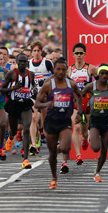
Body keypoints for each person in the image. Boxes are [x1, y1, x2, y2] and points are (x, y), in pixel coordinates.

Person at [35, 58, 82, 189]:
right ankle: (54, 178)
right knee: (52, 154)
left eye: (63, 69)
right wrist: (47, 104)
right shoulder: (48, 84)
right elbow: (37, 103)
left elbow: (79, 96)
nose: (61, 72)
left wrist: (79, 113)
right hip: (51, 122)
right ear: (54, 70)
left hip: (64, 121)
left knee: (66, 147)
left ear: (66, 70)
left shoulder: (71, 84)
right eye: (58, 69)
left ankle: (58, 149)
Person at [82, 64, 108, 182]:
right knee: (96, 148)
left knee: (104, 149)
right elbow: (79, 96)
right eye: (101, 73)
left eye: (106, 73)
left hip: (107, 121)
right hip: (95, 121)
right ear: (98, 74)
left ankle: (97, 171)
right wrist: (81, 111)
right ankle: (90, 138)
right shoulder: (90, 86)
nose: (103, 75)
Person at [2, 54, 36, 169]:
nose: (22, 64)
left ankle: (26, 159)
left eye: (24, 62)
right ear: (16, 62)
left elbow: (33, 87)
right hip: (14, 104)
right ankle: (11, 137)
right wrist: (13, 88)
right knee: (14, 129)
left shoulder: (31, 75)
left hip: (26, 104)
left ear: (27, 62)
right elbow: (2, 89)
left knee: (26, 129)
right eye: (20, 61)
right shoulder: (12, 74)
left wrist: (35, 90)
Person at [67, 43, 97, 166]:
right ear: (73, 55)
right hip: (74, 103)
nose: (79, 55)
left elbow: (101, 82)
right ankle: (78, 155)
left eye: (81, 53)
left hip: (87, 103)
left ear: (85, 54)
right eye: (77, 53)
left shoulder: (90, 68)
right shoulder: (70, 70)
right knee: (76, 127)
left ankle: (85, 138)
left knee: (84, 130)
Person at [28, 41, 53, 155]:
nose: (37, 53)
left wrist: (47, 81)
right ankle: (33, 144)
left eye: (38, 50)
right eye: (34, 51)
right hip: (33, 95)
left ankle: (43, 136)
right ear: (31, 52)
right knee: (33, 118)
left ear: (41, 51)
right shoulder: (28, 64)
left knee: (44, 121)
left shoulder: (47, 63)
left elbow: (55, 76)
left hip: (45, 96)